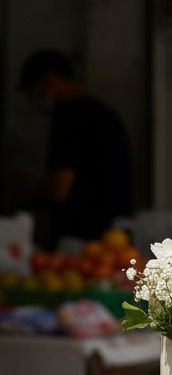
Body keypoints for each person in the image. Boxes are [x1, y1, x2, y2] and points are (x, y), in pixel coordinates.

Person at [18, 49, 131, 244]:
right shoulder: (104, 113)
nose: (39, 99)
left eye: (35, 92)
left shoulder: (69, 116)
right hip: (115, 235)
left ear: (48, 81)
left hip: (81, 236)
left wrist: (29, 193)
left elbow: (59, 188)